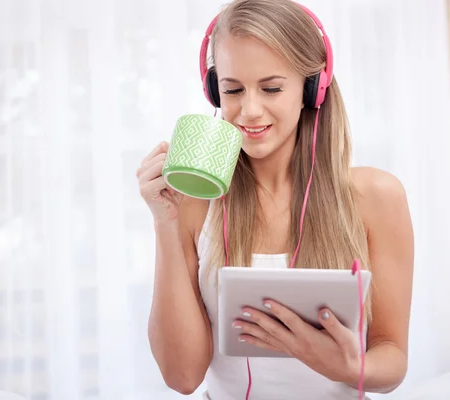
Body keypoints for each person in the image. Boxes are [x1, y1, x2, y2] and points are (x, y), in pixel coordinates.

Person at [136, 0, 414, 398]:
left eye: (271, 88)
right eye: (232, 89)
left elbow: (393, 359)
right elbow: (182, 377)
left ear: (312, 88)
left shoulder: (376, 197)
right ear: (215, 90)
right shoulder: (196, 202)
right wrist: (165, 221)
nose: (249, 110)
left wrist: (351, 367)